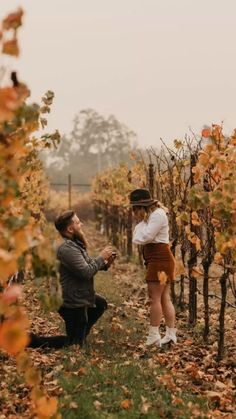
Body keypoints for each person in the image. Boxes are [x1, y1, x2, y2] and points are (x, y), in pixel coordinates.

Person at [29, 210, 115, 349]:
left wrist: (105, 264)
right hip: (70, 300)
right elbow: (86, 272)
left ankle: (79, 336)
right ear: (70, 228)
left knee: (100, 304)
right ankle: (34, 341)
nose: (81, 224)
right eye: (77, 222)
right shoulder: (67, 248)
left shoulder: (74, 243)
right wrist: (101, 257)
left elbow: (86, 265)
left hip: (77, 293)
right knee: (73, 345)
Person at [129, 188, 177, 347]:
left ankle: (154, 335)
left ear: (141, 207)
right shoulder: (151, 217)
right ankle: (170, 334)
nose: (134, 213)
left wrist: (139, 230)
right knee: (163, 298)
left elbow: (144, 237)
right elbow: (140, 236)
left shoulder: (157, 215)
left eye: (135, 209)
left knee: (155, 298)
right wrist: (140, 229)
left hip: (159, 260)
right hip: (158, 259)